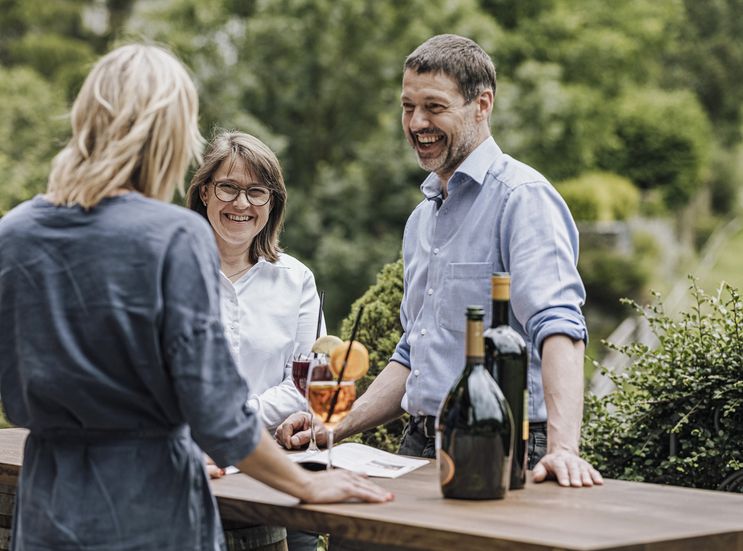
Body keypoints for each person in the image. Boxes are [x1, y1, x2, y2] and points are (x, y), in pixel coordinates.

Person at [0, 44, 391, 551]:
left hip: (49, 507)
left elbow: (13, 391)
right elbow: (220, 415)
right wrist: (309, 484)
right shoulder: (173, 237)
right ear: (168, 132)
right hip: (154, 513)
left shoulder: (15, 233)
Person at [276, 34, 603, 488]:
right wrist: (333, 425)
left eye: (434, 107)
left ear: (482, 105)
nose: (416, 122)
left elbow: (560, 326)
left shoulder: (522, 199)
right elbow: (413, 354)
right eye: (408, 107)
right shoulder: (421, 220)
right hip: (419, 443)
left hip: (503, 446)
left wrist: (563, 450)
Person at [185, 131, 322, 551]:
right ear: (205, 191)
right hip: (191, 474)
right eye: (228, 187)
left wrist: (228, 425)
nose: (241, 204)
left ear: (272, 202)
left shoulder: (295, 279)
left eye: (256, 192)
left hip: (276, 480)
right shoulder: (172, 272)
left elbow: (306, 385)